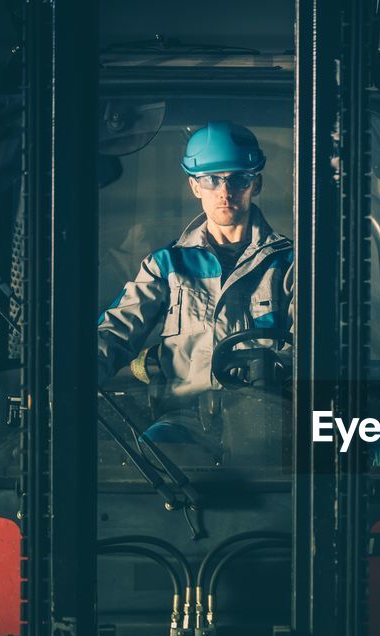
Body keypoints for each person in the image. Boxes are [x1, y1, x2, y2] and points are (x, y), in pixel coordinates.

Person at [97, 121, 294, 454]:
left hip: (267, 419)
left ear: (255, 184)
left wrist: (275, 374)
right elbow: (115, 332)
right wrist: (69, 382)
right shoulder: (167, 265)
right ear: (194, 186)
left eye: (238, 179)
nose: (225, 192)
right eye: (211, 180)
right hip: (182, 419)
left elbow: (315, 352)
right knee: (150, 461)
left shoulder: (290, 265)